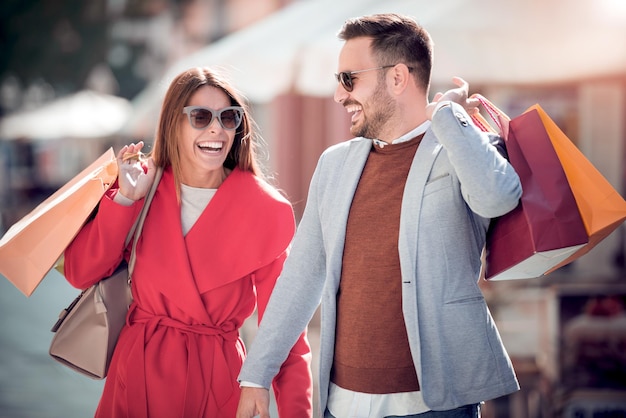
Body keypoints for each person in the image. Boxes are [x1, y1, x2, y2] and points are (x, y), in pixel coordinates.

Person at [236, 13, 522, 418]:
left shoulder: (459, 146)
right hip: (342, 404)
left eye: (349, 79)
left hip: (437, 405)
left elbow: (498, 198)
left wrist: (448, 117)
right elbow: (300, 277)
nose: (338, 95)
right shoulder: (334, 164)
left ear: (398, 78)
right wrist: (256, 375)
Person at [63, 67, 313, 417]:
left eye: (228, 117)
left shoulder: (266, 210)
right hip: (136, 376)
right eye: (200, 117)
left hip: (217, 385)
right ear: (172, 124)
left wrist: (296, 412)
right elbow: (79, 273)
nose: (217, 129)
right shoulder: (140, 186)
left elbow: (284, 328)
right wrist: (124, 201)